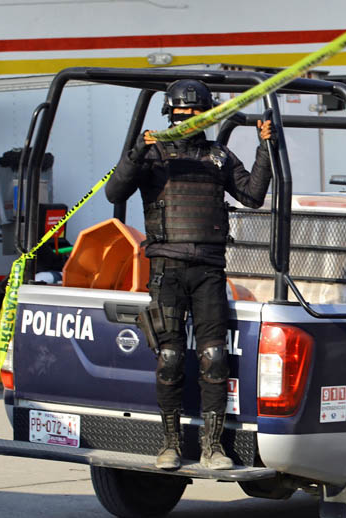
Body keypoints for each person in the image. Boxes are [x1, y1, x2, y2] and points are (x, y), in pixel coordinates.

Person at [106, 79, 273, 470]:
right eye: (182, 114)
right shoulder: (153, 154)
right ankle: (170, 445)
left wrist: (265, 146)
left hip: (209, 270)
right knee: (169, 357)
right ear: (170, 115)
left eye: (197, 114)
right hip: (166, 269)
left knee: (214, 357)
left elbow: (252, 195)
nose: (189, 119)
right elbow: (115, 192)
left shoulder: (217, 157)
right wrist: (137, 151)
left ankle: (213, 448)